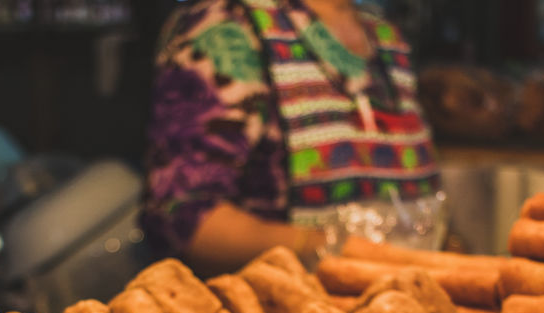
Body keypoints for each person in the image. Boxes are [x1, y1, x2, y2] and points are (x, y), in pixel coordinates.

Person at [141, 0, 441, 275]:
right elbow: (180, 217)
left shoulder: (386, 37)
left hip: (403, 304)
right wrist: (321, 247)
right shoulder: (227, 31)